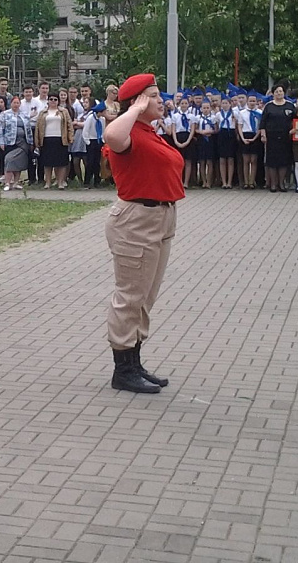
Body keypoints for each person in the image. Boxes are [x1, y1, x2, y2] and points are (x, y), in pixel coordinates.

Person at [102, 73, 182, 394]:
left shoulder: (149, 131)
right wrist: (134, 109)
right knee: (130, 296)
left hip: (160, 217)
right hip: (136, 220)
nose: (160, 100)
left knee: (145, 297)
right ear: (138, 101)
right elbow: (111, 135)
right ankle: (122, 370)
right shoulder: (128, 130)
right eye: (153, 95)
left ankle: (134, 361)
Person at [260, 85, 294, 193]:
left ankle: (281, 183)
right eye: (277, 91)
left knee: (283, 161)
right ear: (273, 93)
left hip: (285, 137)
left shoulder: (290, 105)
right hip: (271, 137)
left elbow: (296, 120)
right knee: (272, 161)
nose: (279, 93)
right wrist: (263, 134)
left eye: (281, 91)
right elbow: (263, 123)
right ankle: (273, 184)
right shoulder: (268, 106)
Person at [36, 92, 73, 189]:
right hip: (46, 139)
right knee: (47, 163)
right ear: (48, 101)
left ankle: (60, 182)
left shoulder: (64, 111)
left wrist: (70, 138)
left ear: (58, 101)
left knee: (61, 162)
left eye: (55, 99)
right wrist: (37, 141)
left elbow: (69, 125)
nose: (53, 101)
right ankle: (47, 182)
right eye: (51, 99)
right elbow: (38, 127)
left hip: (61, 139)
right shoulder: (42, 112)